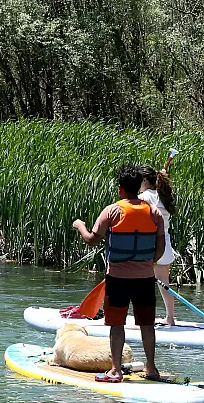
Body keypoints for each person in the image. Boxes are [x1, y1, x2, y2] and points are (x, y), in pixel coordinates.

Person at [72, 164, 167, 382]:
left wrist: (80, 225)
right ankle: (152, 368)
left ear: (120, 189)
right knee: (147, 324)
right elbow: (160, 249)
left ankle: (115, 371)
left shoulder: (112, 211)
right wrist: (147, 263)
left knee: (117, 324)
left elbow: (92, 240)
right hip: (144, 278)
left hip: (118, 278)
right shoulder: (153, 212)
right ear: (139, 186)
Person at [139, 165, 178, 326]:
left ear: (145, 181)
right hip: (166, 245)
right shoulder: (163, 196)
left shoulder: (144, 197)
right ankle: (170, 318)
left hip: (151, 246)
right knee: (164, 282)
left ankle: (144, 318)